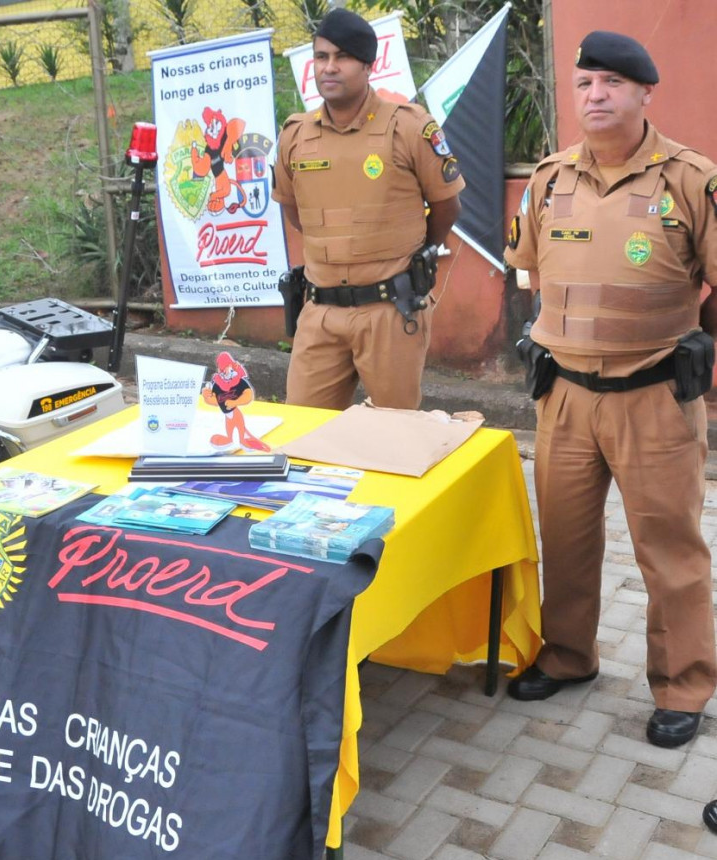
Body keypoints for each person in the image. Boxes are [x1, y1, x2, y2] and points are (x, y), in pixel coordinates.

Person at [504, 31, 717, 748]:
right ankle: (567, 656)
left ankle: (682, 682)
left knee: (670, 553)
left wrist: (701, 373)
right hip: (562, 397)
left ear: (641, 92)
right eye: (584, 82)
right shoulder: (547, 179)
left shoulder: (690, 180)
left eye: (610, 84)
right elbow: (525, 274)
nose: (593, 96)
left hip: (654, 397)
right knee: (562, 541)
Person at [272, 7, 465, 410]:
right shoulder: (295, 135)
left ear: (368, 65)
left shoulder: (410, 127)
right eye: (321, 57)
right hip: (320, 312)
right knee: (304, 434)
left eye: (342, 57)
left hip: (389, 311)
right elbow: (296, 213)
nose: (329, 67)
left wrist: (414, 252)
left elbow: (447, 206)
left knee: (394, 437)